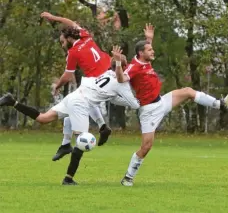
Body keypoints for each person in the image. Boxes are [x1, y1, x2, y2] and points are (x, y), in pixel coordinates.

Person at [0, 49, 140, 185]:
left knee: (43, 118)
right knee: (81, 142)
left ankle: (12, 101)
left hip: (74, 96)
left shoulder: (106, 73)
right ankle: (68, 178)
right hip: (81, 104)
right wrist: (141, 100)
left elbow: (109, 96)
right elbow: (133, 104)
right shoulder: (121, 84)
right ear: (125, 68)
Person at [113, 40, 228, 187]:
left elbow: (147, 51)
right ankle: (128, 178)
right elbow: (120, 79)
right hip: (149, 111)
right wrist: (118, 63)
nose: (153, 51)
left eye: (152, 49)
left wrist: (149, 38)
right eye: (149, 49)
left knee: (188, 91)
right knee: (146, 147)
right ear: (141, 53)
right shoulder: (134, 66)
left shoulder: (144, 59)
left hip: (161, 102)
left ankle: (220, 104)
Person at [40, 12, 112, 160]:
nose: (62, 44)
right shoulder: (85, 35)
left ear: (69, 39)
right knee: (72, 110)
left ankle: (100, 127)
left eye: (62, 42)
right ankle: (67, 143)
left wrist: (57, 86)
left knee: (81, 98)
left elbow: (67, 76)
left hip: (100, 80)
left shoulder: (73, 52)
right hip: (109, 72)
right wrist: (54, 18)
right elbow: (70, 21)